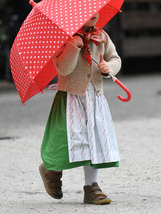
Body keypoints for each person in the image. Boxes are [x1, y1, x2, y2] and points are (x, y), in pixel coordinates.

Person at [39, 12, 121, 205]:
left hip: (94, 98)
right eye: (86, 12)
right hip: (70, 98)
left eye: (96, 10)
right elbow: (64, 69)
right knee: (66, 140)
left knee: (94, 140)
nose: (94, 14)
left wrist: (109, 67)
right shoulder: (64, 40)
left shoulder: (102, 37)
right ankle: (51, 170)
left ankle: (91, 187)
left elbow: (115, 58)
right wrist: (73, 46)